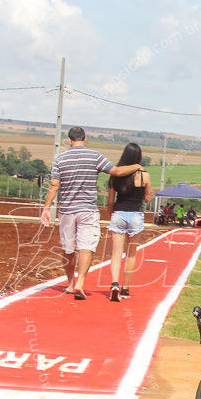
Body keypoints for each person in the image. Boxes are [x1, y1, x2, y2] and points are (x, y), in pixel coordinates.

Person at [40, 126, 144, 300]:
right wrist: (136, 165)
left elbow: (54, 186)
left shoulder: (60, 159)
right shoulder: (95, 156)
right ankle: (81, 282)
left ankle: (71, 284)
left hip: (66, 209)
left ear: (69, 140)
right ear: (85, 139)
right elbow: (116, 171)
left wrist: (46, 208)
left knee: (68, 248)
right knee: (86, 246)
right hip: (88, 209)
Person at [106, 143, 153, 302]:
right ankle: (125, 289)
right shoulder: (144, 175)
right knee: (131, 254)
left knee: (116, 254)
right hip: (135, 215)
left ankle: (114, 284)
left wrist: (110, 214)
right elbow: (147, 197)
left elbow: (110, 201)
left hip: (119, 213)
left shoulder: (115, 175)